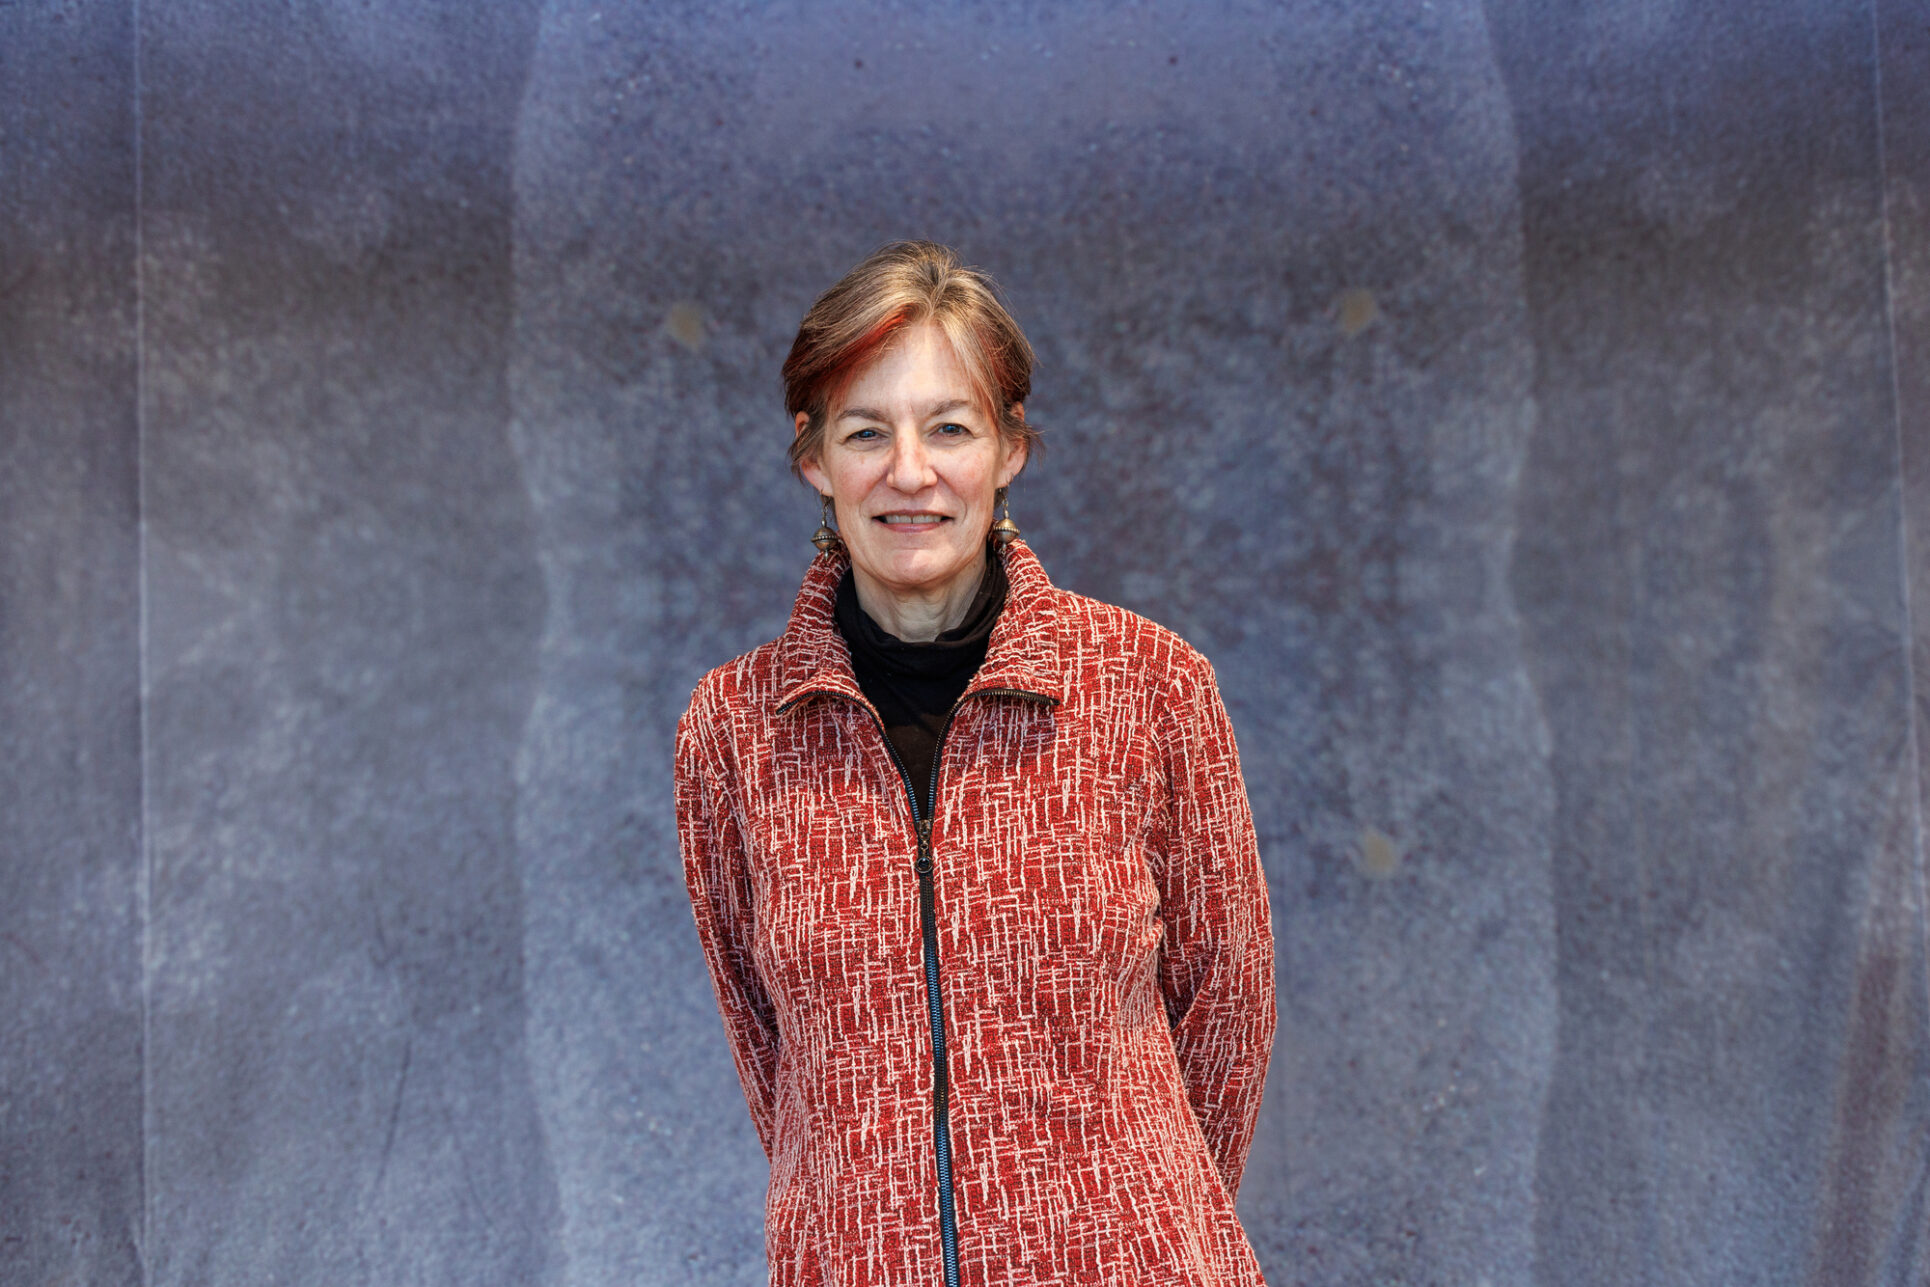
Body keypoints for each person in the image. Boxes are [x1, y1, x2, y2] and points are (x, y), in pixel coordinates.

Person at [675, 241, 1275, 1286]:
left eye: (949, 427)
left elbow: (1227, 1011)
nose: (910, 472)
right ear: (814, 460)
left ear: (1009, 450)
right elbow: (775, 1058)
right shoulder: (733, 726)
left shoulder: (1148, 685)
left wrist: (1126, 1234)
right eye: (868, 432)